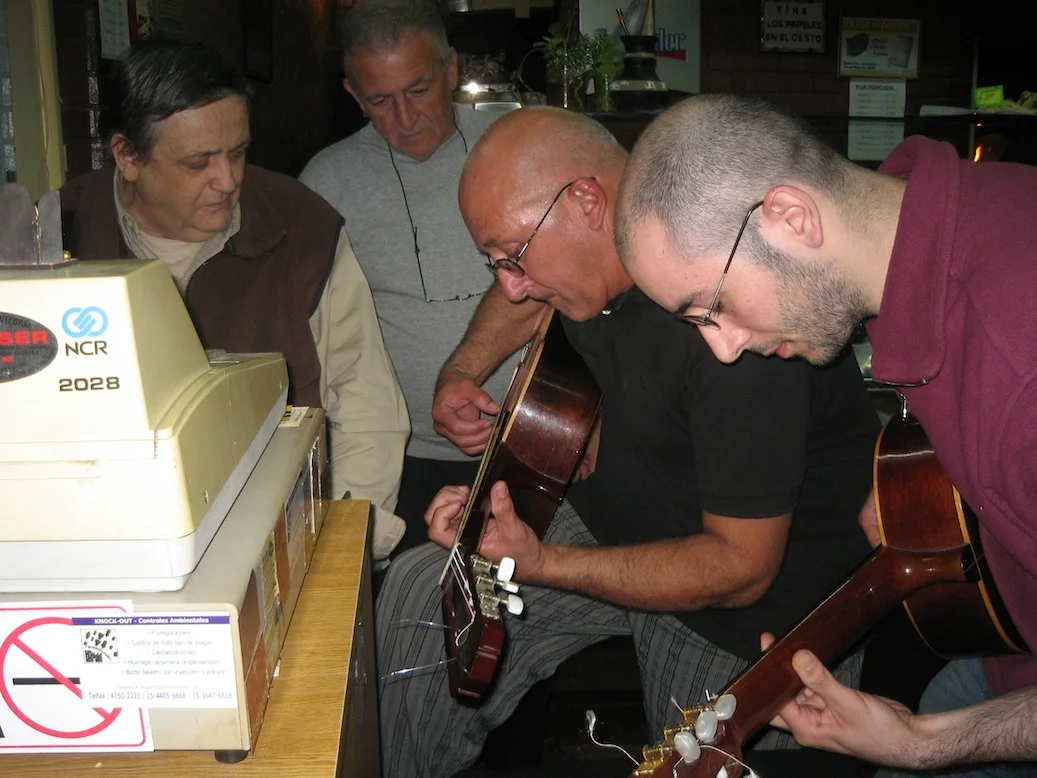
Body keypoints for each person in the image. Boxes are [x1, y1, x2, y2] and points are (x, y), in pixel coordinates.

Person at [375, 105, 881, 778]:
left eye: (515, 258)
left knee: (683, 762)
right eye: (496, 262)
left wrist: (542, 562)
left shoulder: (732, 328)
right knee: (417, 596)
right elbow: (526, 296)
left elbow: (739, 570)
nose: (511, 286)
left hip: (743, 603)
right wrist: (463, 369)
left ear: (587, 202)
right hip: (620, 512)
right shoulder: (591, 256)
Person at [616, 93, 1037, 777]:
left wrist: (925, 743)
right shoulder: (923, 222)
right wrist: (935, 473)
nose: (723, 350)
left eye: (712, 307)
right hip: (1000, 650)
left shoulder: (1021, 374)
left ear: (791, 216)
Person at [58, 37, 410, 561]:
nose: (228, 180)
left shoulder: (302, 226)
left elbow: (366, 408)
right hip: (99, 543)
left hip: (281, 538)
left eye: (238, 152)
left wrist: (340, 550)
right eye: (199, 162)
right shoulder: (58, 235)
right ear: (127, 156)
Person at [299, 0, 535, 555]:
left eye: (420, 89)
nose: (406, 118)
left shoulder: (523, 147)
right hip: (399, 461)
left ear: (451, 68)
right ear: (353, 94)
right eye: (380, 101)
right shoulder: (324, 185)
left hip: (538, 442)